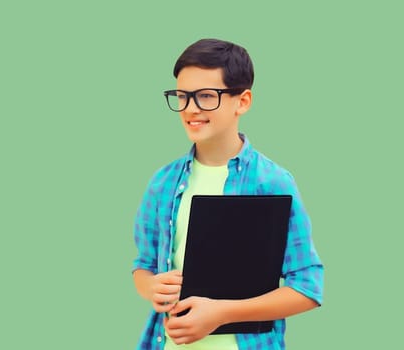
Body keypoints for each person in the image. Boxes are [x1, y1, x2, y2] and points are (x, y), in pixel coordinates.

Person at [131, 38, 324, 350]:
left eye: (206, 96)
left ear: (242, 101)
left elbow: (308, 288)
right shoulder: (162, 182)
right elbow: (143, 266)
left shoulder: (273, 182)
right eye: (182, 96)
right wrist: (151, 286)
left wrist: (221, 313)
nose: (190, 109)